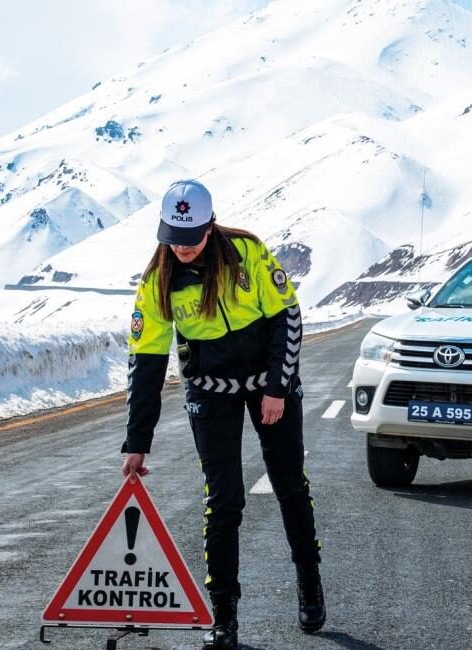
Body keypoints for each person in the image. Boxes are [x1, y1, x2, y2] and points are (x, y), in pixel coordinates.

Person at [120, 179, 325, 649]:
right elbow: (145, 365)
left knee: (289, 482)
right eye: (173, 237)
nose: (182, 248)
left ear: (210, 228)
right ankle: (224, 616)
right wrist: (136, 442)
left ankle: (309, 582)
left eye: (190, 238)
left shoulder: (247, 253)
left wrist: (277, 388)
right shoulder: (158, 282)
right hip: (209, 393)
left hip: (268, 385)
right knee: (224, 498)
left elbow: (287, 319)